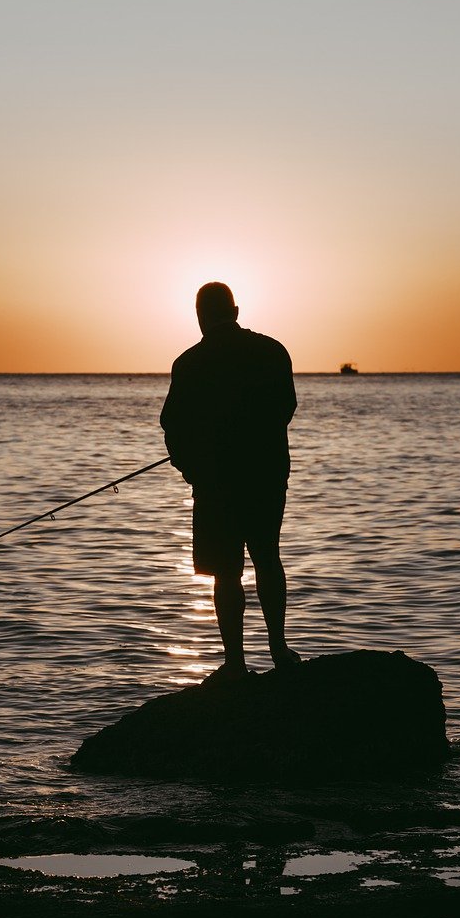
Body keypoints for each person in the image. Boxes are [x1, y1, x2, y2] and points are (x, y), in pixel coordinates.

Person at [160, 282, 300, 678]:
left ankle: (235, 663)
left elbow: (172, 426)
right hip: (266, 475)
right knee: (267, 558)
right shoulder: (272, 351)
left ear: (200, 316)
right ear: (235, 311)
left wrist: (193, 470)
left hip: (215, 483)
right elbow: (285, 408)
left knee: (226, 572)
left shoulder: (188, 363)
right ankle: (279, 650)